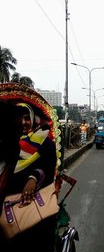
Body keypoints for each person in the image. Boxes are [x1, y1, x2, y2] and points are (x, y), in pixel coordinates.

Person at [1, 103, 57, 251]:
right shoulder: (8, 142)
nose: (23, 123)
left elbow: (48, 166)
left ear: (33, 119)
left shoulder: (45, 142)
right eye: (19, 119)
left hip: (33, 201)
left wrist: (33, 178)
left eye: (27, 118)